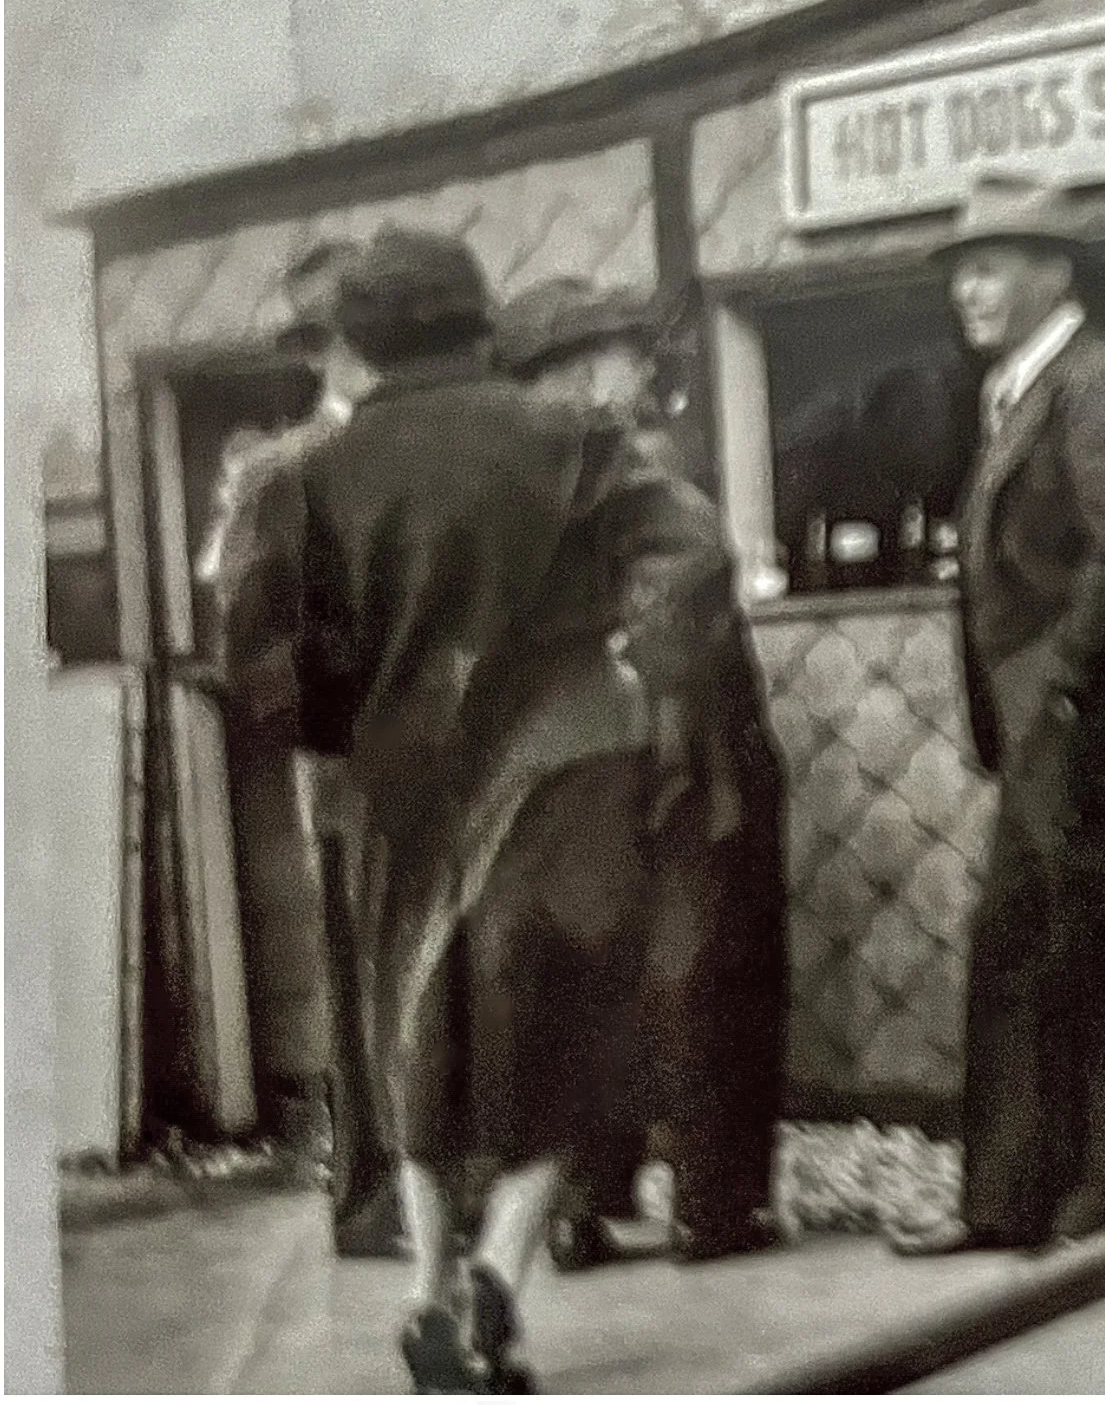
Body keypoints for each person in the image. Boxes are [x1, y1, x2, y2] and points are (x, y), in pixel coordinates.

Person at [222, 228, 746, 1391]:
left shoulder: (295, 477)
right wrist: (636, 654)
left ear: (356, 336)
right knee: (563, 1026)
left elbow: (254, 656)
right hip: (569, 762)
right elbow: (697, 549)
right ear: (481, 321)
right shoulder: (574, 437)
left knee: (420, 1023)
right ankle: (500, 1270)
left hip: (395, 781)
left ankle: (427, 1291)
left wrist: (339, 720)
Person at [892, 176, 1105, 1257]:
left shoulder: (1099, 382)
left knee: (1087, 940)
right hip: (1057, 715)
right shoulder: (1027, 386)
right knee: (1025, 943)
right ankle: (1015, 1197)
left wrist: (1064, 682)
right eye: (960, 273)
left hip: (1095, 714)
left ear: (1055, 272)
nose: (967, 291)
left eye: (989, 267)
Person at [492, 279, 789, 1271]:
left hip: (569, 768)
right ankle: (711, 1204)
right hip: (683, 759)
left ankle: (580, 1203)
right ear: (584, 371)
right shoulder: (637, 468)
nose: (644, 369)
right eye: (627, 353)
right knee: (704, 970)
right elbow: (685, 602)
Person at [197, 240, 403, 1260]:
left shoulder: (424, 449)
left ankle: (446, 1190)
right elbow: (249, 640)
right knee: (365, 981)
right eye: (349, 333)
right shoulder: (280, 469)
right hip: (351, 771)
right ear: (320, 349)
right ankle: (372, 1200)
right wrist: (334, 726)